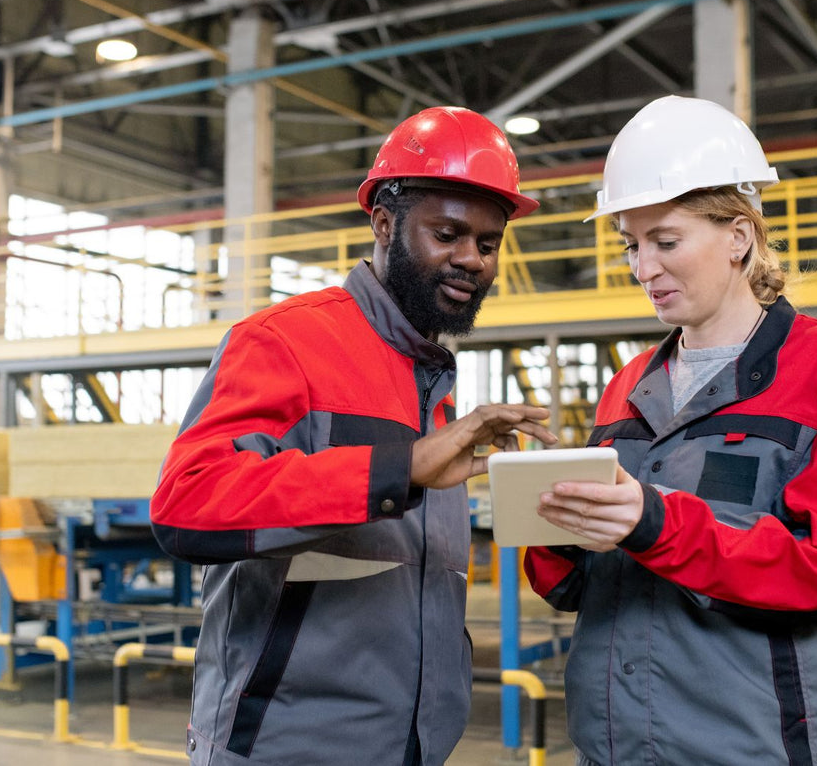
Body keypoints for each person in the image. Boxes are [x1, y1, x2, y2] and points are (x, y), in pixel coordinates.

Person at [152, 106, 558, 766]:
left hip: (413, 746)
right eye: (447, 233)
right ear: (383, 224)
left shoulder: (433, 385)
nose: (469, 260)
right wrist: (396, 469)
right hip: (285, 746)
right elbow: (186, 504)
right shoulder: (285, 343)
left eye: (487, 244)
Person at [525, 95, 817, 765]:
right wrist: (553, 523)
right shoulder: (628, 382)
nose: (642, 268)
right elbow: (571, 590)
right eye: (631, 245)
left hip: (748, 746)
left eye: (665, 241)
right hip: (614, 746)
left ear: (738, 236)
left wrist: (654, 523)